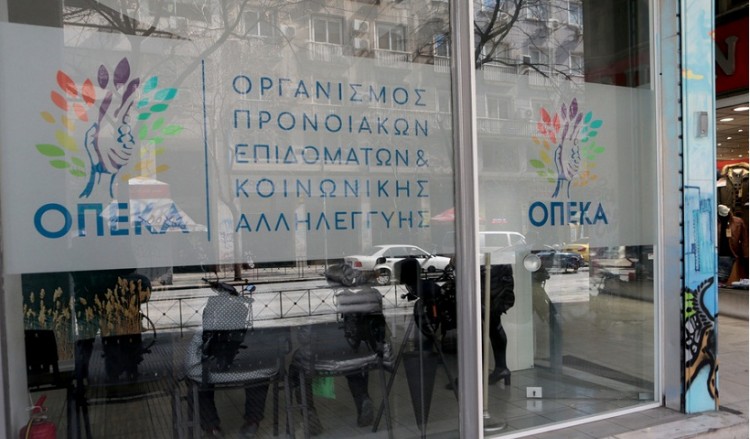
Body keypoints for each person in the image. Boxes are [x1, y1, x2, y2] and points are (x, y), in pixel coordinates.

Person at [185, 281, 267, 439]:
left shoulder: (206, 333)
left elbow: (192, 359)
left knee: (194, 381)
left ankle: (211, 427)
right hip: (246, 371)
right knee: (260, 373)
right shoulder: (250, 332)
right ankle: (253, 421)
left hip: (212, 372)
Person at [717, 204, 749, 284]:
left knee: (725, 279)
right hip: (717, 254)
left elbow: (745, 239)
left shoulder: (738, 222)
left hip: (732, 254)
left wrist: (746, 255)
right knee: (720, 280)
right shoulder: (713, 221)